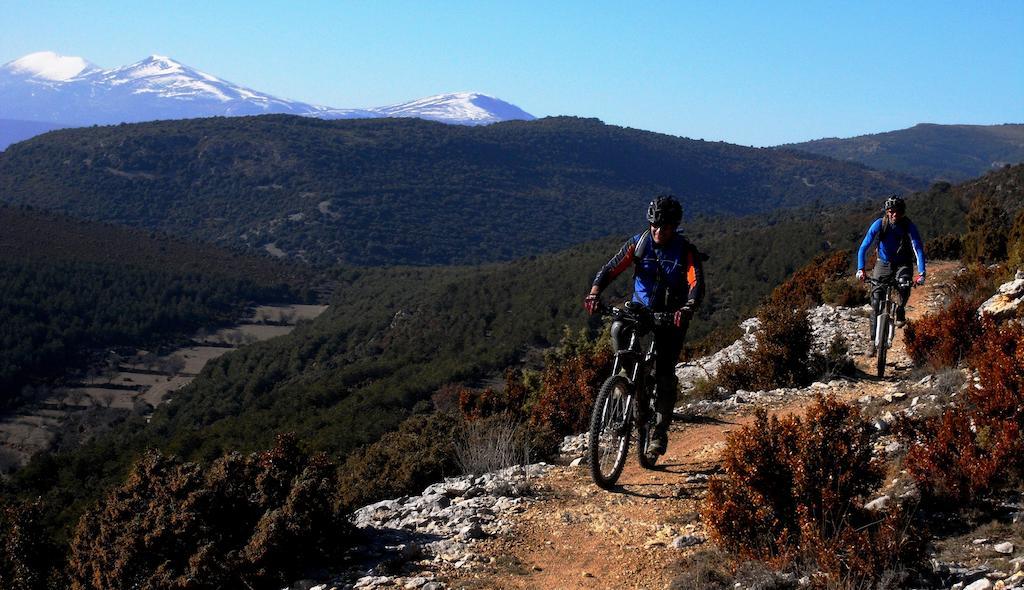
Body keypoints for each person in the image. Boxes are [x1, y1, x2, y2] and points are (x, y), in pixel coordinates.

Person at [583, 195, 705, 456]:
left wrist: (687, 308)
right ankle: (633, 387)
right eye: (654, 225)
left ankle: (659, 432)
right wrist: (594, 292)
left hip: (672, 315)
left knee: (664, 373)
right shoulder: (639, 244)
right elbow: (611, 268)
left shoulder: (685, 250)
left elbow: (697, 284)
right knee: (618, 329)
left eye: (665, 227)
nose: (658, 231)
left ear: (675, 226)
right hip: (641, 309)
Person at [855, 194, 926, 356]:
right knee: (875, 301)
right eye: (891, 211)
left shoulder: (908, 225)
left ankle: (900, 308)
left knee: (904, 284)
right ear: (887, 212)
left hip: (903, 263)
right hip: (883, 262)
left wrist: (921, 273)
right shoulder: (880, 224)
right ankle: (873, 342)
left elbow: (918, 248)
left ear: (902, 212)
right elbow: (864, 246)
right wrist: (861, 269)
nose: (894, 214)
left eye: (897, 211)